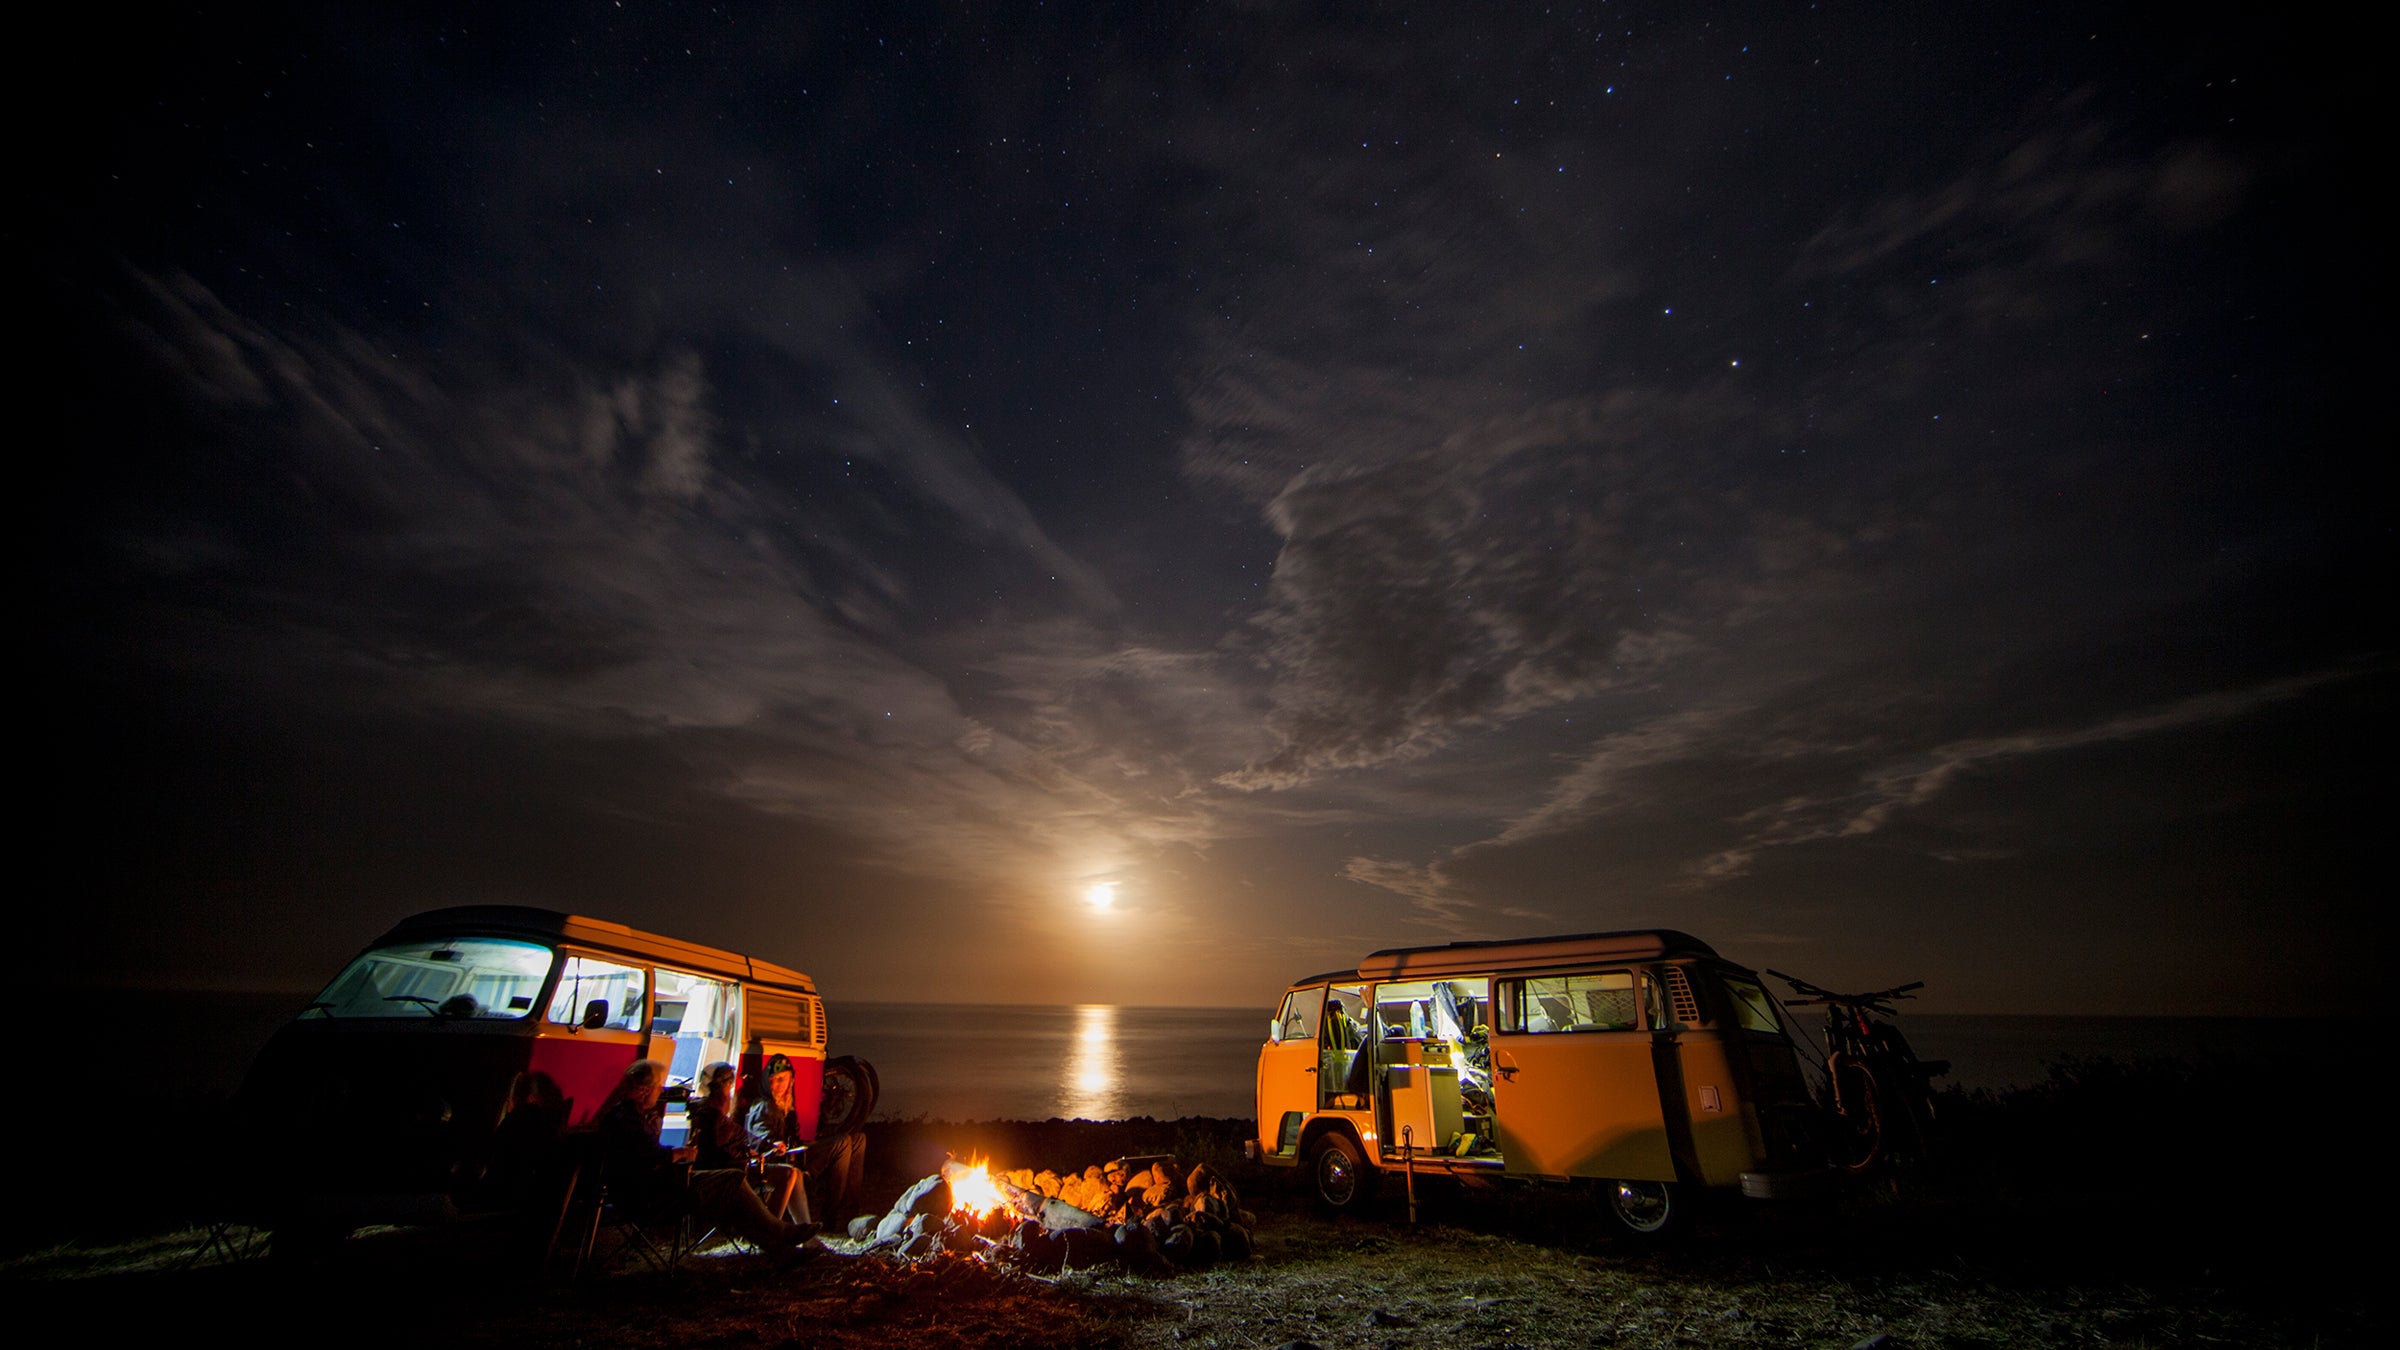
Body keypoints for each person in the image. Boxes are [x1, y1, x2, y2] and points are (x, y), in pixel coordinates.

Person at [593, 1059, 816, 1252]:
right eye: (658, 1086)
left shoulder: (627, 1116)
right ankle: (781, 1233)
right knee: (733, 1179)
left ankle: (782, 1250)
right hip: (653, 1195)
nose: (662, 1091)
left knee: (733, 1189)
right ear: (644, 1089)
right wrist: (680, 1153)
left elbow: (643, 1157)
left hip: (654, 1188)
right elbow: (649, 1159)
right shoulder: (629, 1121)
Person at [745, 1053, 867, 1227]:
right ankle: (832, 1215)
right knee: (842, 1143)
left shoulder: (786, 1104)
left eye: (783, 1079)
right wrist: (773, 1143)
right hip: (781, 1159)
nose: (779, 1084)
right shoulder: (764, 1105)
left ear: (791, 1080)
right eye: (775, 1079)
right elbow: (758, 1135)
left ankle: (851, 1211)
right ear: (767, 1080)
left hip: (796, 1151)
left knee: (858, 1140)